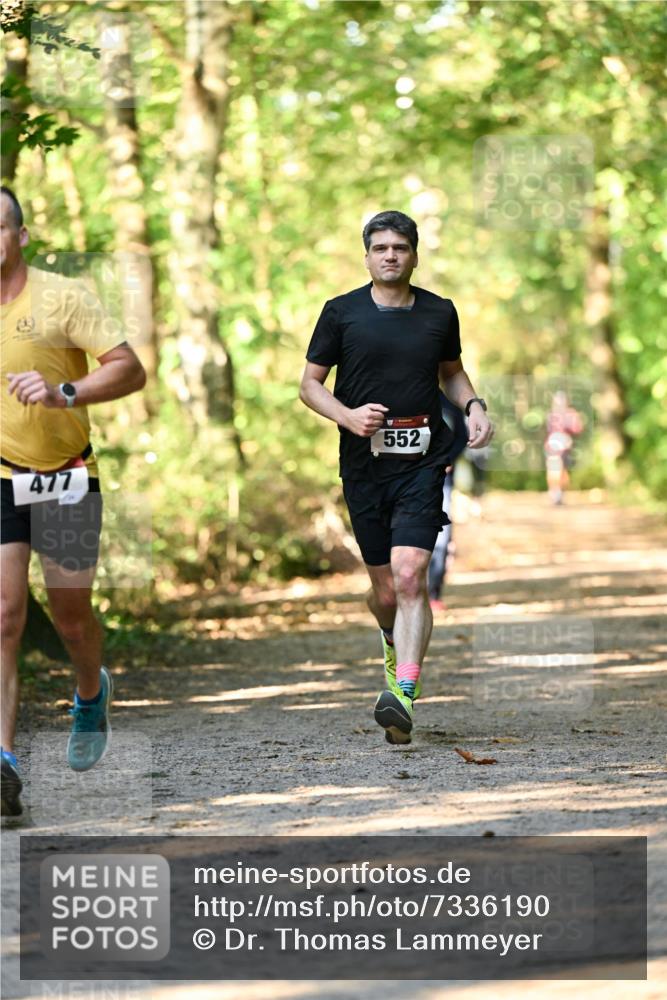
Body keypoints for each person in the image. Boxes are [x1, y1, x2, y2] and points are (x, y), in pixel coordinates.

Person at [300, 210, 493, 745]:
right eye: (380, 247)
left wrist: (473, 404)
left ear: (414, 254)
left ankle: (403, 692)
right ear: (367, 255)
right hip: (364, 463)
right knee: (385, 590)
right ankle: (390, 641)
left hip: (423, 459)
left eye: (400, 248)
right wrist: (347, 416)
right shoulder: (341, 313)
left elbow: (450, 372)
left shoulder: (439, 312)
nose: (390, 255)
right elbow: (309, 385)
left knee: (412, 578)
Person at [0, 187, 146, 822]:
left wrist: (65, 391)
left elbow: (129, 369)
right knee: (3, 615)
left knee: (71, 619)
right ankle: (3, 761)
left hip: (65, 474)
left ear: (21, 236)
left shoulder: (62, 295)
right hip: (0, 477)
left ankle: (91, 689)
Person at [427, 391, 468, 612]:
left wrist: (448, 459)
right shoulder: (403, 393)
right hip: (409, 477)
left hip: (443, 479)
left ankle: (433, 592)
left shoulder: (450, 404)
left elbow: (462, 436)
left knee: (441, 536)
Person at [544, 390, 583, 505]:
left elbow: (577, 428)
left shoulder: (571, 414)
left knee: (562, 471)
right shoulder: (552, 415)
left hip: (565, 445)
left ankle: (559, 492)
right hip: (553, 445)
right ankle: (554, 492)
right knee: (554, 468)